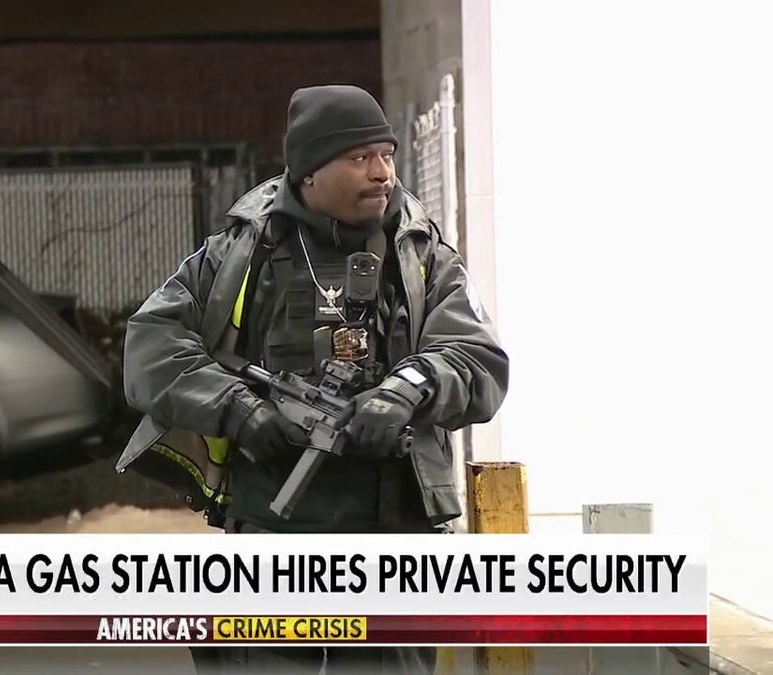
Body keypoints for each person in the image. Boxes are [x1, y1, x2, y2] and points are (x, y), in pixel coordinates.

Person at [116, 84, 509, 674]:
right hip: (270, 539)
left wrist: (408, 389)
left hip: (391, 541)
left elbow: (478, 359)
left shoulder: (422, 257)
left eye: (387, 154)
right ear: (307, 174)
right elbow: (150, 349)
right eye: (359, 158)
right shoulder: (239, 254)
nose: (381, 174)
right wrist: (236, 408)